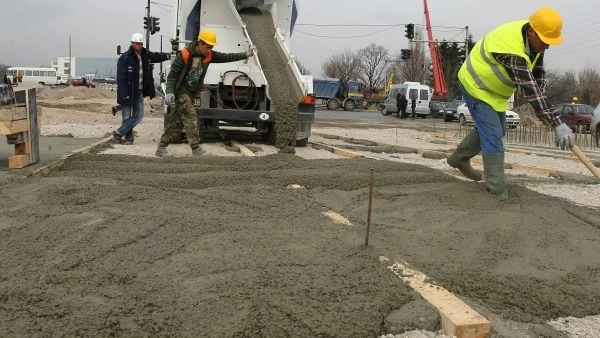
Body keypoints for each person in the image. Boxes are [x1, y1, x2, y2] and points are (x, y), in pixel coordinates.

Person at [446, 7, 573, 199]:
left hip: (494, 93)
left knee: (499, 130)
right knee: (493, 136)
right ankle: (497, 191)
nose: (547, 46)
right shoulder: (511, 49)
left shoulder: (535, 43)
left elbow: (537, 77)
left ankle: (459, 158)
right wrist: (557, 122)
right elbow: (530, 90)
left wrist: (547, 115)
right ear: (531, 31)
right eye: (545, 41)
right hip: (475, 85)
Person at [155, 29, 256, 157]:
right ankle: (196, 149)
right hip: (181, 91)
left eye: (211, 47)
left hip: (191, 94)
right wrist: (169, 92)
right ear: (200, 43)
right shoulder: (185, 54)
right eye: (207, 47)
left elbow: (226, 57)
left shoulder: (209, 55)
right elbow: (173, 75)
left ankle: (161, 147)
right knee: (192, 118)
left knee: (177, 123)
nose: (209, 50)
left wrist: (246, 54)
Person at [114, 32, 171, 145]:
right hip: (127, 91)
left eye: (141, 43)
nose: (139, 46)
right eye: (137, 44)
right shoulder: (125, 58)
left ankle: (119, 132)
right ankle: (129, 139)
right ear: (132, 43)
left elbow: (156, 56)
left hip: (139, 91)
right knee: (126, 116)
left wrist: (168, 55)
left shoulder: (145, 55)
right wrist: (125, 95)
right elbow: (121, 79)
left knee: (139, 116)